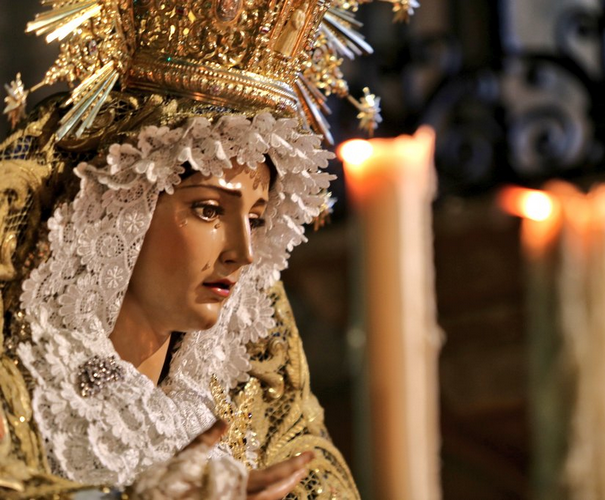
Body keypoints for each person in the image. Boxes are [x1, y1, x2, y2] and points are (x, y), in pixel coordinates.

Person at [0, 0, 415, 498]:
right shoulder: (24, 383)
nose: (244, 252)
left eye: (256, 220)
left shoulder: (249, 404)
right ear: (120, 208)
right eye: (209, 210)